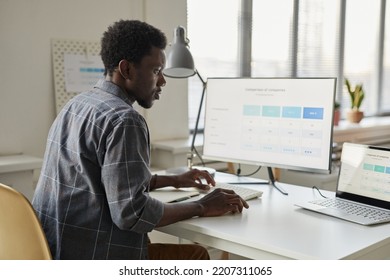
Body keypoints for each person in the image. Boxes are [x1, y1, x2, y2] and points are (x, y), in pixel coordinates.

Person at [32, 19, 248, 260]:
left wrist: (173, 180)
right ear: (126, 70)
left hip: (54, 250)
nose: (163, 81)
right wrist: (202, 206)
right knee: (196, 256)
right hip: (95, 256)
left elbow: (108, 180)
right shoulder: (124, 120)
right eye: (156, 71)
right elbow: (132, 213)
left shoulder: (77, 105)